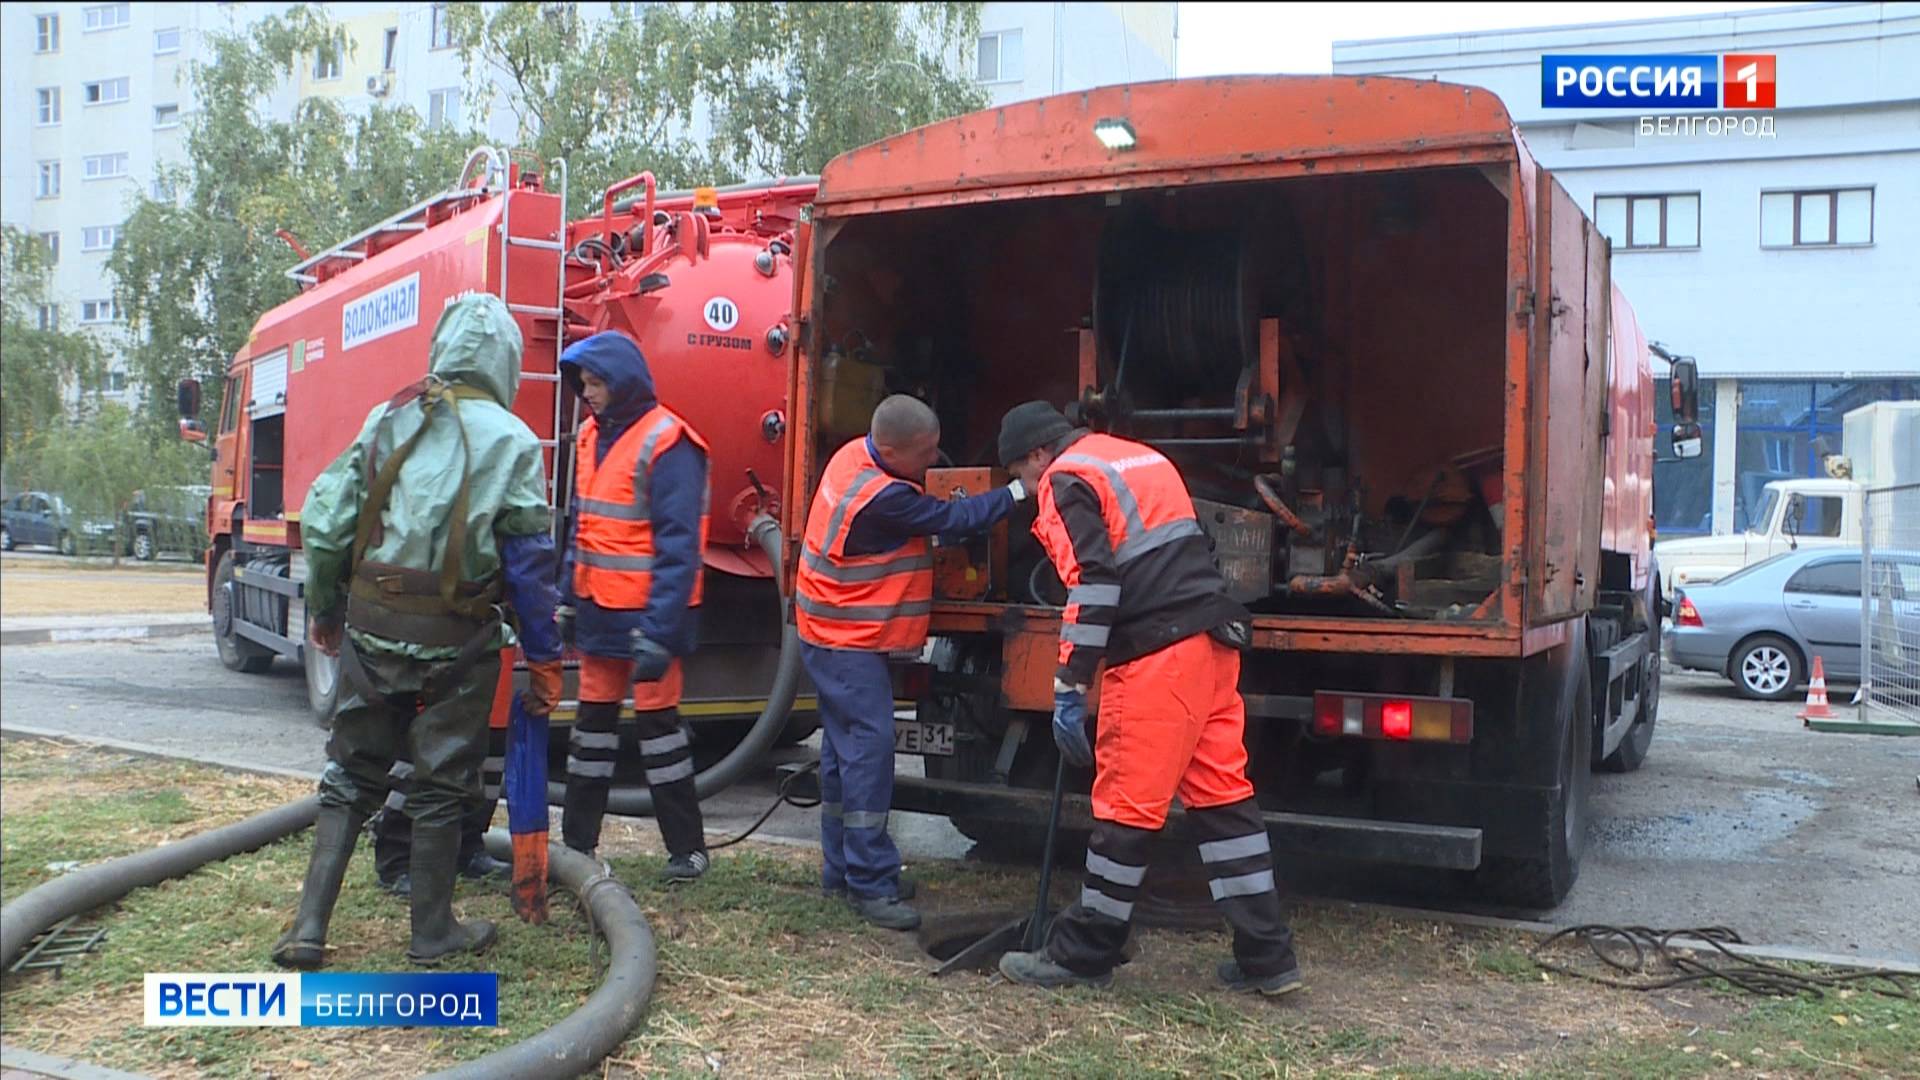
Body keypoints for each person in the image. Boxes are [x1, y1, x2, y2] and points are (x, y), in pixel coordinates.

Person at [272, 294, 564, 969]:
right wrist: (545, 657)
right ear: (507, 362)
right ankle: (431, 933)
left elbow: (326, 523)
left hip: (372, 628)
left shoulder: (389, 416)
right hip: (457, 641)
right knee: (440, 785)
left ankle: (307, 928)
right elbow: (528, 564)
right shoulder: (515, 440)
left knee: (348, 776)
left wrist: (324, 610)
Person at [991, 401, 1302, 996]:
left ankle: (1082, 955)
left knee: (1125, 812)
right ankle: (1269, 958)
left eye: (1025, 478)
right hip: (1212, 648)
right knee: (1226, 806)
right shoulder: (1138, 457)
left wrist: (1070, 681)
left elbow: (1096, 583)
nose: (1032, 493)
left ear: (1037, 455)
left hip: (1159, 658)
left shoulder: (1067, 476)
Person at [794, 395, 1029, 930]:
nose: (933, 462)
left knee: (842, 753)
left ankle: (843, 870)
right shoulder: (883, 501)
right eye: (925, 454)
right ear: (894, 450)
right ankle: (870, 885)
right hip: (845, 639)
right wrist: (1020, 490)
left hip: (831, 634)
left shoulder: (855, 455)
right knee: (869, 755)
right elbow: (954, 518)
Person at [555, 330, 712, 882]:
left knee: (661, 736)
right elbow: (582, 521)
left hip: (648, 619)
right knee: (590, 734)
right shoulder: (588, 436)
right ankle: (577, 845)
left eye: (596, 382)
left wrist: (660, 629)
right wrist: (569, 599)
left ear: (622, 383)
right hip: (600, 611)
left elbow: (680, 547)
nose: (588, 393)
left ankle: (687, 851)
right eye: (584, 383)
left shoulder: (670, 442)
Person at [369, 724, 510, 897]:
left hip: (497, 703)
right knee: (424, 751)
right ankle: (395, 861)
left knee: (490, 753)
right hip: (439, 704)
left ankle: (467, 848)